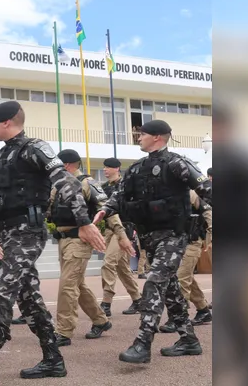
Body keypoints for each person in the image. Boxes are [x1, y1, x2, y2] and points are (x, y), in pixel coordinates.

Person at [0, 101, 106, 384]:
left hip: (27, 235)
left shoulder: (35, 148)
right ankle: (53, 360)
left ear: (7, 122)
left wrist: (83, 221)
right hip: (6, 234)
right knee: (30, 300)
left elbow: (64, 181)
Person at [93, 119, 212, 364]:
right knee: (171, 292)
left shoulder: (177, 163)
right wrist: (104, 210)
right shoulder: (136, 168)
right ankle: (189, 340)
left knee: (153, 283)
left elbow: (207, 188)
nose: (138, 137)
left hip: (174, 236)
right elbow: (119, 195)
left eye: (142, 134)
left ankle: (142, 343)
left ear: (157, 137)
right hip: (149, 237)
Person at [49, 149, 114, 346]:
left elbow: (108, 208)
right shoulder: (59, 186)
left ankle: (63, 331)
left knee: (67, 285)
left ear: (68, 165)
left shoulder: (87, 183)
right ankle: (100, 320)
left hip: (80, 239)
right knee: (77, 284)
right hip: (63, 239)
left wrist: (121, 234)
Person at [158, 189, 213, 332]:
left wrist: (212, 233)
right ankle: (203, 311)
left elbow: (208, 211)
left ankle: (177, 318)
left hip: (192, 241)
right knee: (186, 277)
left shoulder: (188, 193)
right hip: (176, 241)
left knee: (181, 278)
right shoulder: (162, 194)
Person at [99, 157, 142, 317]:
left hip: (124, 229)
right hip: (110, 230)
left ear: (117, 168)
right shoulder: (103, 188)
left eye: (108, 167)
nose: (105, 170)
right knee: (122, 268)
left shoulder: (125, 186)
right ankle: (138, 299)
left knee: (108, 263)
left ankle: (106, 302)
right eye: (104, 167)